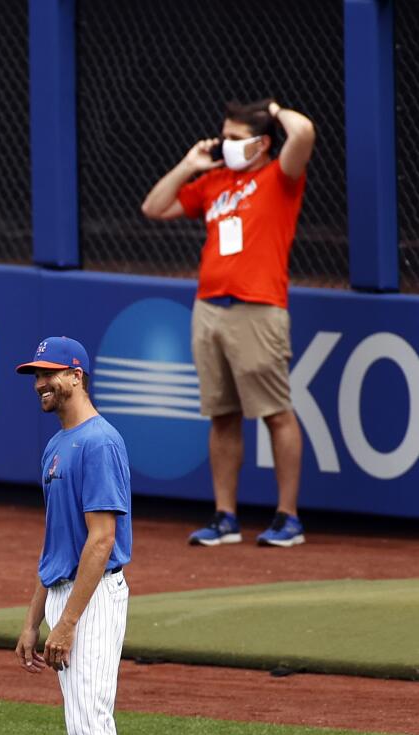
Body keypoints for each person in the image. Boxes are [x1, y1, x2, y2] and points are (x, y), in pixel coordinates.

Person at [141, 99, 316, 548]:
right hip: (209, 308)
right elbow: (154, 208)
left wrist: (274, 108)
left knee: (276, 412)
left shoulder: (281, 176)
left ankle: (287, 517)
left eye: (238, 139)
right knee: (221, 414)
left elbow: (304, 133)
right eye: (226, 138)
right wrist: (189, 164)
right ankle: (225, 516)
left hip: (258, 307)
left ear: (261, 144)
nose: (229, 146)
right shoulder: (215, 182)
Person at [13, 337, 134, 735]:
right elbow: (55, 542)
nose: (40, 383)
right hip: (64, 595)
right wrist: (34, 619)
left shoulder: (100, 442)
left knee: (92, 724)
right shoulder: (57, 445)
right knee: (80, 726)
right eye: (36, 375)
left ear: (77, 376)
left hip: (94, 598)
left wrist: (68, 623)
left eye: (49, 374)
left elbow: (101, 540)